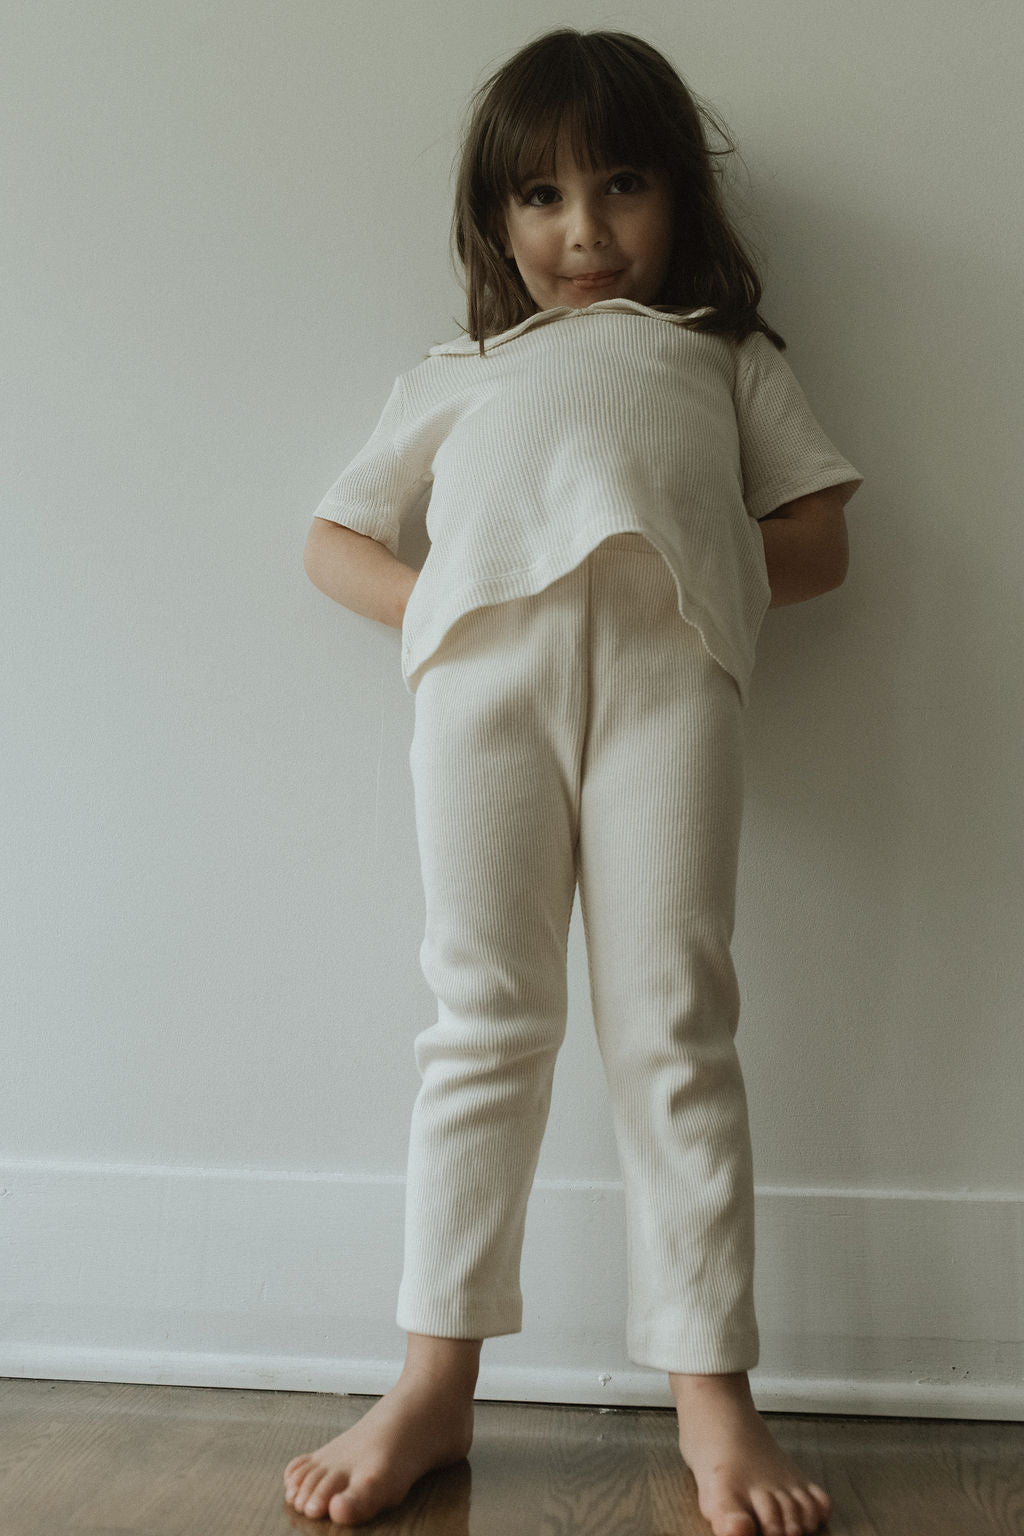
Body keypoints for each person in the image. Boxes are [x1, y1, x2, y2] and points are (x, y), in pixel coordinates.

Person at [285, 26, 862, 1536]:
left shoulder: (723, 355)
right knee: (483, 1019)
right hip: (481, 697)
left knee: (675, 1020)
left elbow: (817, 541)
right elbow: (333, 538)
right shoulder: (456, 373)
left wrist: (691, 559)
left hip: (675, 692)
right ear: (496, 222)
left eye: (619, 187)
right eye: (540, 198)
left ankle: (713, 1395)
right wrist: (457, 603)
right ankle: (433, 1380)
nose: (584, 232)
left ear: (678, 199)